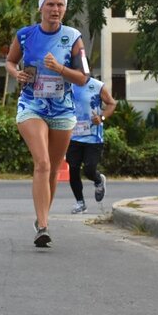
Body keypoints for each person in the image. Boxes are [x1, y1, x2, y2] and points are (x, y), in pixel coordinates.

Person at [5, 0, 89, 247]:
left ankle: (42, 217)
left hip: (63, 109)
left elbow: (84, 77)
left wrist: (59, 68)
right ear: (41, 8)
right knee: (41, 163)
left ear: (65, 9)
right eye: (50, 5)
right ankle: (43, 226)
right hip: (32, 105)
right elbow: (9, 61)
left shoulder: (73, 37)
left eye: (60, 5)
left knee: (53, 168)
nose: (55, 10)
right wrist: (16, 73)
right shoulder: (26, 35)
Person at [66, 76, 117, 213]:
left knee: (89, 170)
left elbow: (112, 103)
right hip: (73, 136)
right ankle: (80, 203)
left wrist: (101, 118)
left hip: (93, 137)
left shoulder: (97, 86)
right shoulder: (68, 84)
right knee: (73, 170)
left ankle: (98, 180)